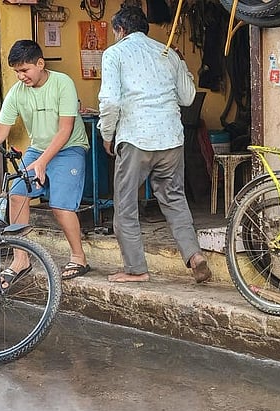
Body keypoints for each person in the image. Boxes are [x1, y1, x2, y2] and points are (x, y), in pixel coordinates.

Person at [0, 39, 92, 283]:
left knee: (60, 206)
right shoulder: (16, 93)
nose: (20, 76)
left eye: (24, 70)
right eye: (16, 72)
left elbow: (65, 130)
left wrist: (43, 162)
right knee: (16, 196)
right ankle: (21, 259)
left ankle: (79, 258)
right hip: (37, 149)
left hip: (69, 149)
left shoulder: (62, 84)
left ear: (40, 63)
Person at [98, 6, 212, 284]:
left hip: (136, 137)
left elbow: (111, 101)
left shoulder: (114, 53)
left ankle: (136, 269)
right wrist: (182, 64)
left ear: (120, 31)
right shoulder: (168, 54)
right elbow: (187, 97)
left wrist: (107, 133)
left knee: (125, 205)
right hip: (171, 138)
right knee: (174, 198)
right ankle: (194, 255)